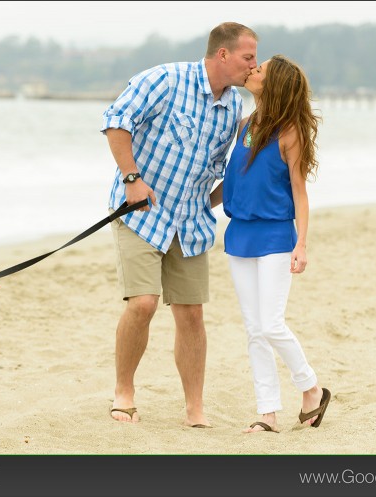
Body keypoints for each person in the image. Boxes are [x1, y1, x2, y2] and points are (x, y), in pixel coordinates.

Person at [101, 22, 259, 427]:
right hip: (140, 214)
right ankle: (124, 393)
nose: (253, 66)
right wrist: (132, 179)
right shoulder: (167, 79)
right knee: (143, 303)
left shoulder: (234, 107)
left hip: (190, 223)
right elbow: (117, 120)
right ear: (223, 55)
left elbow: (221, 169)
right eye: (248, 57)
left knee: (191, 315)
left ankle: (194, 409)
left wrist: (222, 197)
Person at [210, 54, 330, 433]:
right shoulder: (247, 123)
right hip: (239, 235)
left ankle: (310, 388)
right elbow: (232, 184)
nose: (252, 70)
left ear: (273, 83)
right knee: (253, 328)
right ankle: (267, 413)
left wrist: (303, 244)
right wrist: (194, 202)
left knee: (271, 324)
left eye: (259, 69)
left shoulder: (290, 130)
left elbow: (299, 191)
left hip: (277, 236)